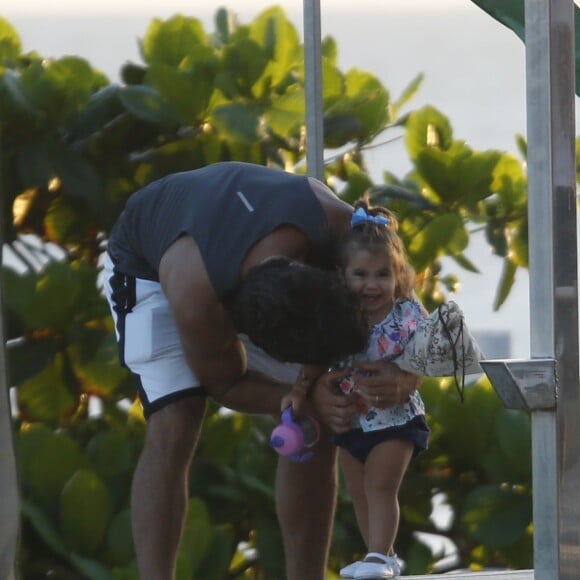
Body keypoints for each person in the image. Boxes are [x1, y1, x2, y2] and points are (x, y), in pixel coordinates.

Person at [103, 161, 421, 580]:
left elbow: (407, 305)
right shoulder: (197, 298)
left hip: (234, 232)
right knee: (176, 421)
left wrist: (406, 374)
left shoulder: (336, 223)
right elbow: (225, 382)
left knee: (315, 422)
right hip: (148, 268)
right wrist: (298, 393)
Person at [333, 202, 431, 580]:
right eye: (359, 274)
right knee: (358, 491)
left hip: (396, 417)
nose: (370, 285)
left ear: (397, 275)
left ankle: (376, 555)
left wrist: (404, 373)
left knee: (380, 485)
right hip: (352, 418)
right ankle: (383, 555)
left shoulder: (407, 314)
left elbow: (429, 356)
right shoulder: (338, 314)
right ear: (342, 275)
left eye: (382, 275)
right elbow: (319, 355)